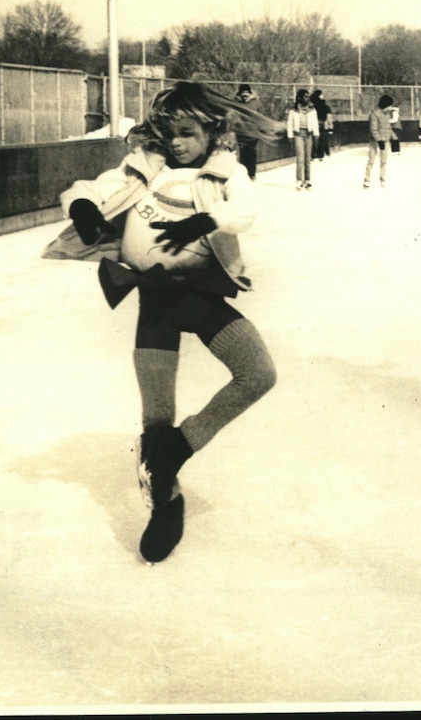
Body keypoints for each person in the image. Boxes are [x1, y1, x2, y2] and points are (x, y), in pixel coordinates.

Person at [42, 81, 282, 563]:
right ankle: (165, 505)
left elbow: (247, 210)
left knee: (258, 372)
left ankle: (180, 446)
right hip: (153, 299)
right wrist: (85, 208)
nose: (176, 143)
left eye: (188, 133)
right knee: (156, 416)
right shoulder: (142, 167)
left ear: (212, 133)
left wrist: (207, 220)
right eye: (169, 132)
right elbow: (89, 187)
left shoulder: (225, 172)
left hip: (199, 295)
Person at [286, 89, 318, 190]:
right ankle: (299, 180)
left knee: (307, 159)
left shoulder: (312, 109)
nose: (307, 99)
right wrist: (290, 136)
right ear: (299, 97)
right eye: (305, 96)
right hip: (298, 134)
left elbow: (315, 123)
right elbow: (289, 124)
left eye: (308, 97)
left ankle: (307, 180)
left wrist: (316, 134)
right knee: (300, 158)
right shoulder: (293, 110)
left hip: (308, 134)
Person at [365, 94, 395, 188]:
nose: (390, 108)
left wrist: (393, 138)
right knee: (371, 159)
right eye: (389, 106)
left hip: (385, 140)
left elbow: (388, 128)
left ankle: (383, 179)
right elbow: (373, 129)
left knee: (384, 160)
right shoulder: (374, 114)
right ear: (385, 105)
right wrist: (379, 140)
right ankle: (367, 179)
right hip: (375, 140)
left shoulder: (387, 114)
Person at [233, 83, 261, 179]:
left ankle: (251, 174)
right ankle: (244, 174)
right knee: (242, 153)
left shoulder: (255, 103)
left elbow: (259, 117)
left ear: (250, 93)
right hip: (241, 132)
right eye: (242, 93)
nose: (244, 95)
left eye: (246, 93)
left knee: (251, 152)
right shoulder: (237, 103)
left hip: (252, 132)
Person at [310, 89, 334, 160]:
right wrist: (330, 127)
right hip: (322, 124)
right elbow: (329, 117)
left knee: (313, 139)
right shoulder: (325, 106)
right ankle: (320, 155)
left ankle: (312, 154)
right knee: (322, 140)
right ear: (320, 96)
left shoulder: (311, 106)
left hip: (312, 124)